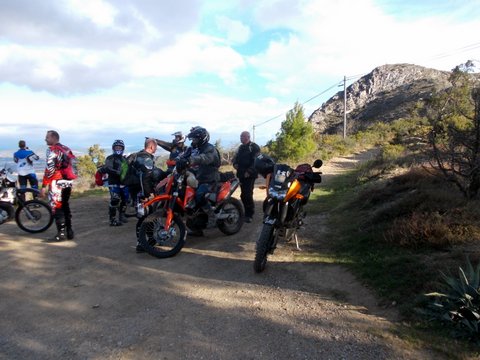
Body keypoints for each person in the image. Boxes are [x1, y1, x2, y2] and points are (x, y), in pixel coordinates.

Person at [176, 126, 220, 236]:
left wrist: (191, 160)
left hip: (209, 178)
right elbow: (184, 155)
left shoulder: (210, 149)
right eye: (192, 139)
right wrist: (178, 160)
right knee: (186, 196)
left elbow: (204, 158)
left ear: (202, 138)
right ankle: (196, 225)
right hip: (198, 177)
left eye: (195, 139)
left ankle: (212, 216)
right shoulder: (193, 148)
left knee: (199, 195)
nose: (193, 141)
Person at [40, 130, 75, 242]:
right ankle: (69, 231)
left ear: (54, 138)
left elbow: (49, 169)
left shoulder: (52, 150)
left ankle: (61, 234)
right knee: (65, 205)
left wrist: (44, 185)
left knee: (57, 207)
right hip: (68, 181)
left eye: (47, 137)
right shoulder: (66, 148)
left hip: (57, 182)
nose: (45, 139)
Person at [132, 138, 165, 252]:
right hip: (141, 194)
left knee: (148, 216)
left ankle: (149, 241)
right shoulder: (145, 158)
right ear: (151, 146)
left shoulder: (140, 156)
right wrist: (146, 194)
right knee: (144, 217)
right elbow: (144, 177)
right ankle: (141, 244)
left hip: (139, 192)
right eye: (156, 147)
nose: (156, 149)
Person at [233, 131, 260, 223]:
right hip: (241, 174)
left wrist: (249, 171)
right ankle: (246, 212)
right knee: (243, 195)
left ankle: (249, 214)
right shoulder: (240, 147)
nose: (241, 138)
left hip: (250, 175)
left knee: (247, 194)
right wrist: (235, 164)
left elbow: (256, 161)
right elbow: (235, 158)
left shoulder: (254, 147)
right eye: (240, 136)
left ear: (248, 137)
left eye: (242, 136)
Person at [100, 140, 129, 226]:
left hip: (123, 183)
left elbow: (127, 170)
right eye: (117, 147)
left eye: (120, 147)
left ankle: (122, 215)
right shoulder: (110, 158)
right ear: (113, 148)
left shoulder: (124, 159)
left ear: (123, 148)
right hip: (113, 183)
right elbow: (108, 168)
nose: (118, 149)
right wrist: (117, 172)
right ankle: (112, 219)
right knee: (114, 200)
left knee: (125, 199)